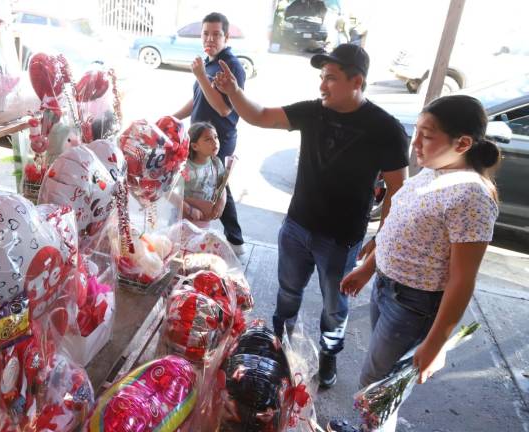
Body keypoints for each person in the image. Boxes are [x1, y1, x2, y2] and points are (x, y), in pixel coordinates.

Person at [212, 43, 409, 388]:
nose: (322, 86)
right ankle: (278, 344)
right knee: (288, 293)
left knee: (335, 309)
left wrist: (381, 240)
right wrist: (234, 91)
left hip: (340, 240)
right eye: (321, 77)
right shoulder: (313, 112)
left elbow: (398, 191)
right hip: (296, 228)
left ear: (356, 80)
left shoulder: (386, 128)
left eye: (330, 78)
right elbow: (259, 115)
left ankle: (329, 353)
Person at [339, 95, 500, 431]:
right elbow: (396, 225)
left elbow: (461, 280)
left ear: (463, 143)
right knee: (381, 381)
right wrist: (368, 269)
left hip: (414, 304)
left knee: (376, 383)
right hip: (388, 288)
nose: (416, 143)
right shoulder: (431, 172)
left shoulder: (471, 196)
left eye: (427, 135)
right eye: (418, 131)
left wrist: (435, 343)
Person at [173, 11, 246, 256]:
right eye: (206, 33)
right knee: (202, 181)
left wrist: (202, 76)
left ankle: (234, 240)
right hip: (199, 138)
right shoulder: (209, 62)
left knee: (218, 185)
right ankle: (193, 232)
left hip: (217, 139)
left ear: (227, 37)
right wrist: (172, 118)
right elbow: (197, 99)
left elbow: (225, 109)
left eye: (216, 34)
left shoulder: (229, 65)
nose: (210, 39)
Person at [182, 122, 227, 228]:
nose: (215, 142)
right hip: (182, 218)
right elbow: (171, 193)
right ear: (194, 146)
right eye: (208, 139)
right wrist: (189, 209)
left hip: (204, 218)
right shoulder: (184, 166)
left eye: (215, 137)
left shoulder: (216, 163)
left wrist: (221, 204)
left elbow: (222, 186)